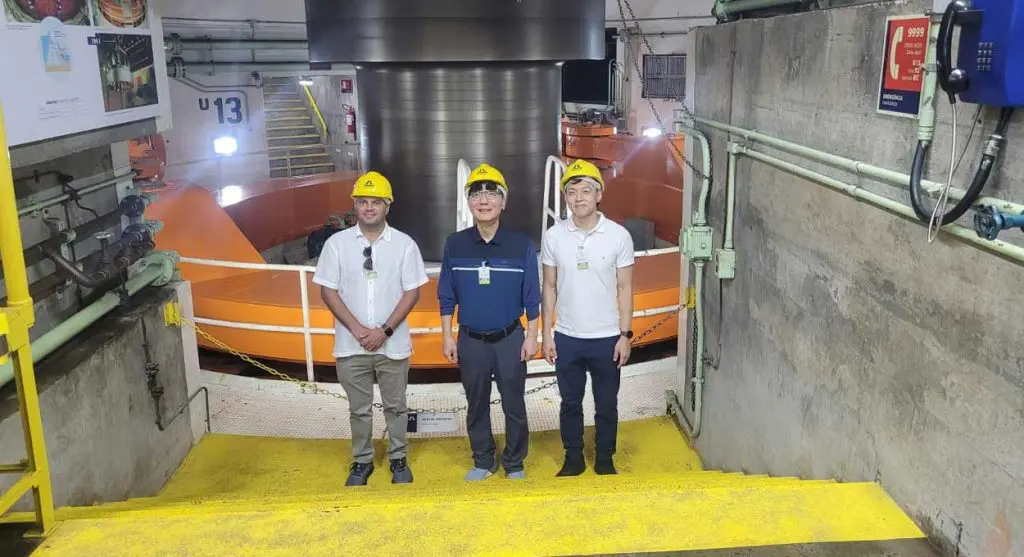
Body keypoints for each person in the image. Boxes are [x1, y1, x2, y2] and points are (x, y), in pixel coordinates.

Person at [313, 171, 429, 486]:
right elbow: (328, 291)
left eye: (375, 202)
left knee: (396, 406)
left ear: (387, 205)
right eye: (362, 201)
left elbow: (412, 293)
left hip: (393, 344)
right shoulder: (336, 245)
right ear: (354, 205)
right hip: (351, 345)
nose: (368, 208)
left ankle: (398, 457)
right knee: (359, 409)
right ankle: (362, 461)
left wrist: (384, 331)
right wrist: (357, 330)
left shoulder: (404, 245)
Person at [438, 163, 541, 481]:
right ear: (469, 202)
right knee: (476, 403)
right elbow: (446, 295)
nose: (484, 200)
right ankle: (483, 460)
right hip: (471, 340)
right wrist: (448, 336)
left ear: (503, 202)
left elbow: (532, 296)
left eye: (492, 193)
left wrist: (532, 336)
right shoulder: (454, 245)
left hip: (510, 338)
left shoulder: (521, 246)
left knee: (514, 403)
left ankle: (514, 462)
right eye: (476, 194)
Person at [541, 159, 635, 476]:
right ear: (565, 197)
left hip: (607, 338)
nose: (578, 197)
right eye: (571, 192)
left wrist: (625, 335)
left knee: (606, 404)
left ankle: (605, 458)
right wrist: (547, 334)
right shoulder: (554, 237)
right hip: (568, 336)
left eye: (585, 191)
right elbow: (549, 287)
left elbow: (625, 287)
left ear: (599, 194)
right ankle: (573, 458)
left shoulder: (619, 236)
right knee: (570, 402)